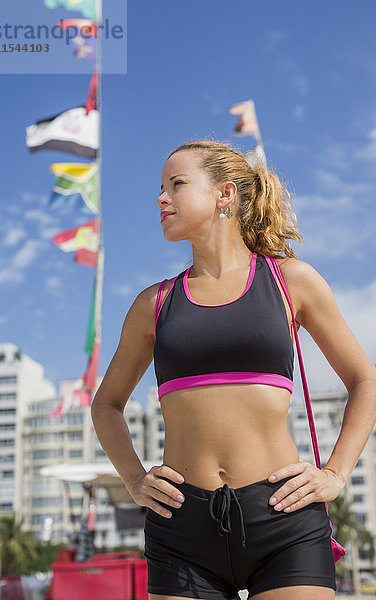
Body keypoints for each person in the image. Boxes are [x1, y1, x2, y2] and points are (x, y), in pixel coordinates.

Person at [91, 139, 376, 600]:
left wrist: (337, 473)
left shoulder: (292, 281)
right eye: (160, 188)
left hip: (283, 516)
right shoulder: (154, 304)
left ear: (225, 193)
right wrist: (134, 479)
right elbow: (106, 404)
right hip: (180, 526)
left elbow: (366, 380)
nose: (161, 199)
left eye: (176, 185)